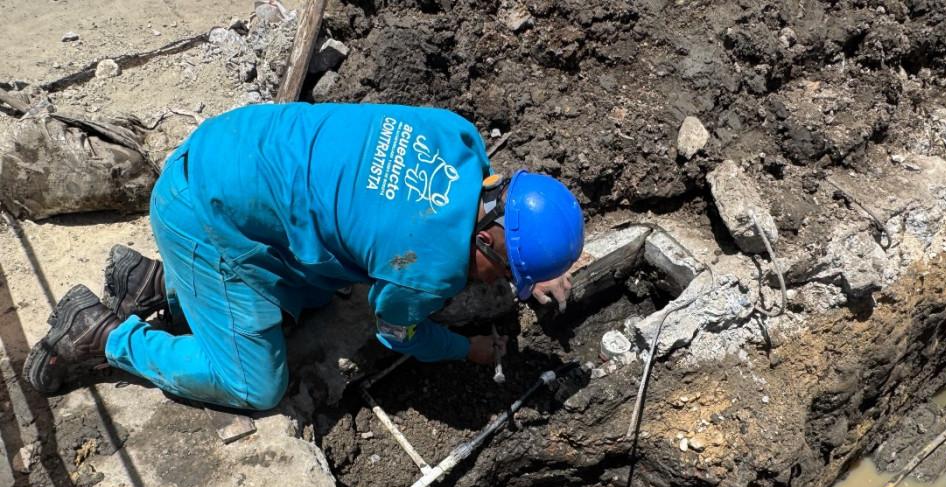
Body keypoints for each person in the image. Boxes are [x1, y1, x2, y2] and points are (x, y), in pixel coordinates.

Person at [23, 103, 585, 410]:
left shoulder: (458, 139)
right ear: (488, 240)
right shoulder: (427, 269)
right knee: (254, 385)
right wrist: (469, 351)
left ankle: (157, 285)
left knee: (316, 292)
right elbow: (398, 334)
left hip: (230, 147)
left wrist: (528, 268)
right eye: (506, 275)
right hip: (200, 209)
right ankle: (104, 336)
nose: (498, 286)